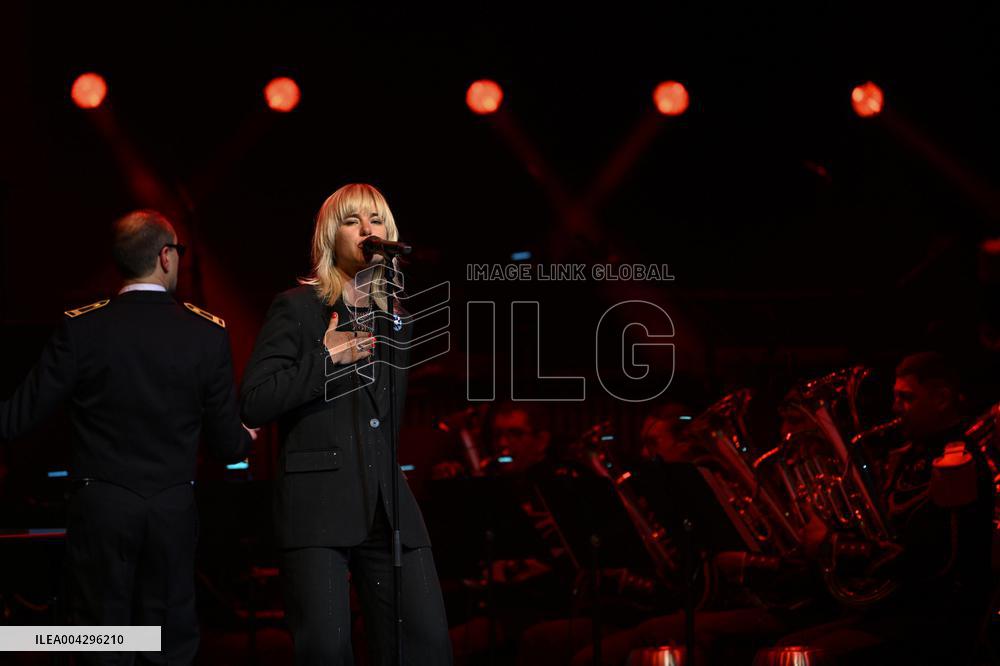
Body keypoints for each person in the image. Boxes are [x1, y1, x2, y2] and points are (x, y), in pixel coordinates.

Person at [0, 209, 252, 665]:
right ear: (166, 257)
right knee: (168, 644)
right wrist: (245, 437)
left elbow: (16, 419)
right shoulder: (205, 333)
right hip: (172, 511)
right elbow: (226, 444)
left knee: (101, 643)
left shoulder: (82, 328)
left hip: (101, 512)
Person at [240, 183, 451, 665]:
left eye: (375, 221)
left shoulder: (395, 318)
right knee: (327, 651)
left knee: (425, 645)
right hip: (317, 507)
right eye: (353, 221)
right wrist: (326, 358)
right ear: (331, 235)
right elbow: (253, 402)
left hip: (388, 505)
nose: (366, 230)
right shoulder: (297, 307)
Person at [772, 352, 994, 665]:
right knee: (784, 651)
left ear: (942, 398)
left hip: (933, 622)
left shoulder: (957, 463)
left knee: (789, 657)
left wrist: (832, 545)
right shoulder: (906, 457)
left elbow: (934, 561)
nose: (895, 409)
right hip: (893, 613)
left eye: (906, 398)